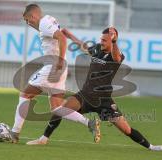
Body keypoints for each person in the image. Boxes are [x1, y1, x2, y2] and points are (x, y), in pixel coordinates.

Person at [26, 27, 162, 151]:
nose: (102, 42)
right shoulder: (98, 49)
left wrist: (115, 41)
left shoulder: (117, 55)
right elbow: (84, 47)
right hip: (86, 95)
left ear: (112, 41)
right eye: (101, 39)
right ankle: (43, 139)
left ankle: (151, 147)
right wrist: (69, 35)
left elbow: (117, 57)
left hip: (103, 100)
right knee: (60, 110)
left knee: (126, 129)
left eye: (105, 40)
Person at [9, 4, 100, 143]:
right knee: (57, 108)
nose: (28, 23)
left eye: (28, 20)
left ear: (33, 16)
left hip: (53, 66)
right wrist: (78, 42)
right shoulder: (49, 20)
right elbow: (64, 32)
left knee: (25, 94)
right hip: (59, 68)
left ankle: (15, 133)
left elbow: (62, 38)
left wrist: (60, 60)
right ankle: (89, 123)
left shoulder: (44, 23)